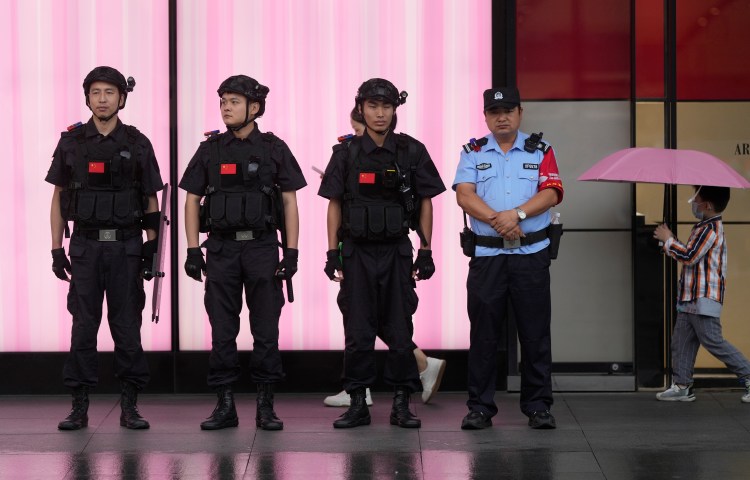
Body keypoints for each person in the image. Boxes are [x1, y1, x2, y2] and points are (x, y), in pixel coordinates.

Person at [179, 75, 306, 431]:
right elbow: (191, 200)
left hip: (263, 248)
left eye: (234, 102)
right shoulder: (210, 149)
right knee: (222, 330)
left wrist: (292, 252)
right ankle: (225, 406)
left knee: (266, 329)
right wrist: (192, 249)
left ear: (255, 107)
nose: (226, 108)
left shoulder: (273, 148)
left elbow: (289, 201)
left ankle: (266, 407)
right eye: (223, 102)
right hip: (220, 249)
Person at [318, 78, 446, 429]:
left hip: (396, 252)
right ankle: (358, 402)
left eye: (386, 107)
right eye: (372, 106)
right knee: (357, 330)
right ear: (360, 108)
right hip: (357, 252)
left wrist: (426, 249)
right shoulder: (344, 154)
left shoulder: (411, 151)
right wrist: (332, 253)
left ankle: (402, 403)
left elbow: (425, 201)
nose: (379, 113)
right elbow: (335, 205)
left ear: (395, 110)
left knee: (400, 329)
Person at [47, 66, 164, 431]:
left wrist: (152, 249)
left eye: (109, 93)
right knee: (83, 326)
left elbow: (151, 201)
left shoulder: (137, 143)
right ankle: (79, 405)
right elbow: (58, 198)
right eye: (95, 92)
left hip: (127, 247)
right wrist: (55, 248)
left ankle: (130, 405)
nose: (102, 99)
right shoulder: (72, 142)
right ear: (87, 97)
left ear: (122, 98)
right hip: (84, 246)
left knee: (127, 326)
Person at [452, 87, 564, 430]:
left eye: (508, 110)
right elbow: (464, 195)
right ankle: (480, 408)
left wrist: (515, 215)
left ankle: (538, 406)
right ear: (485, 116)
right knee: (483, 334)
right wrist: (497, 220)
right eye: (494, 111)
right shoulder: (472, 152)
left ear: (520, 113)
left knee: (534, 333)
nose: (502, 116)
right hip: (487, 257)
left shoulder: (541, 150)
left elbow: (552, 192)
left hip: (531, 255)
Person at [654, 186, 750, 402]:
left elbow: (689, 255)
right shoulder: (704, 226)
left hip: (703, 297)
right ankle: (682, 385)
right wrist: (667, 241)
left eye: (695, 198)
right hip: (691, 296)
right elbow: (690, 254)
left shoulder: (710, 229)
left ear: (707, 205)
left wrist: (669, 239)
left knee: (713, 341)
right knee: (681, 341)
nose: (692, 202)